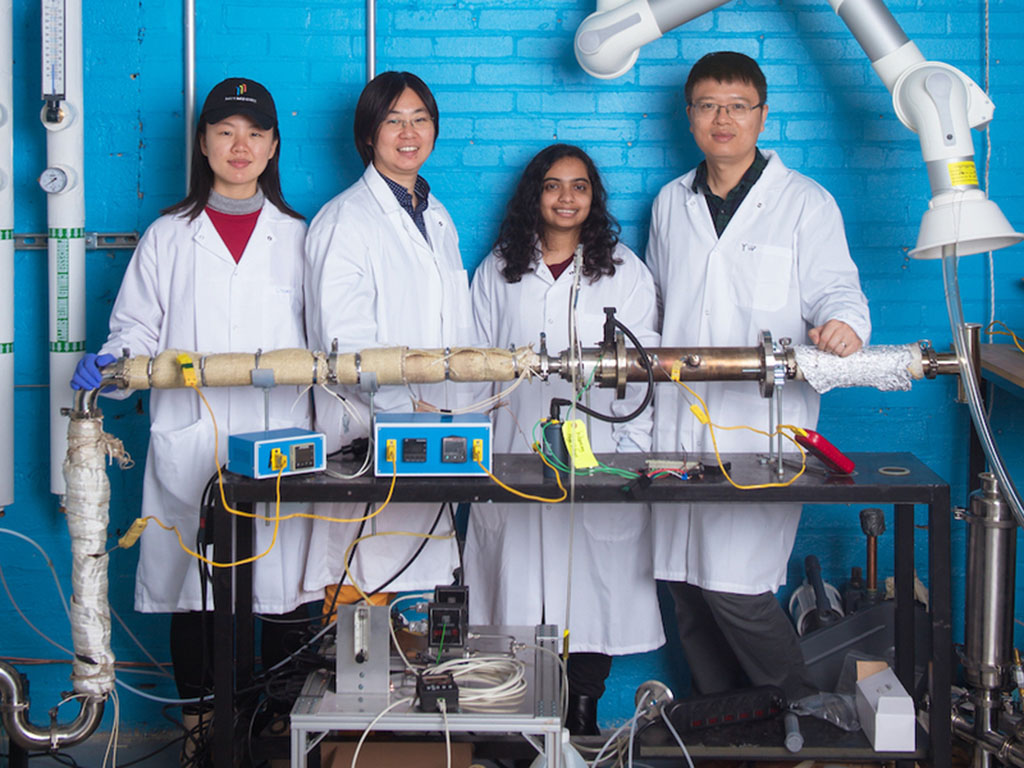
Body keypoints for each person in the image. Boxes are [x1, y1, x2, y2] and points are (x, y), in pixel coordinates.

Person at [70, 77, 317, 752]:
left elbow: (326, 345)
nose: (240, 147)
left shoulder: (300, 237)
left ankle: (276, 737)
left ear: (272, 148)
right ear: (203, 143)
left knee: (287, 592)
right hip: (191, 445)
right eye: (226, 132)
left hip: (281, 440)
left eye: (255, 134)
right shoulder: (167, 238)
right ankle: (202, 739)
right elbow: (135, 333)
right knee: (197, 594)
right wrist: (111, 367)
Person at [646, 52, 872, 702]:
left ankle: (806, 721)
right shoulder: (671, 203)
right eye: (709, 106)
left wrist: (842, 327)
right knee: (686, 592)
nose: (724, 119)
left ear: (761, 116)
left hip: (762, 429)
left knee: (735, 587)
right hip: (680, 427)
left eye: (738, 106)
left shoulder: (803, 202)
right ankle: (728, 737)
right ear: (690, 116)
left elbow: (839, 292)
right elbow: (664, 304)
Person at [465, 144, 664, 735]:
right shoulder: (499, 269)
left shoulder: (624, 270)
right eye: (553, 185)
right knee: (517, 588)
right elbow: (470, 359)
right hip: (512, 449)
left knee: (592, 590)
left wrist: (632, 454)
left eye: (579, 186)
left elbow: (645, 365)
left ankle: (582, 713)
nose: (567, 197)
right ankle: (523, 721)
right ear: (535, 195)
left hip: (600, 450)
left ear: (593, 198)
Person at [303, 72, 473, 604]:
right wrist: (407, 409)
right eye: (393, 119)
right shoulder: (344, 220)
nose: (409, 131)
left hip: (435, 438)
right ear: (368, 134)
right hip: (369, 441)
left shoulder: (438, 217)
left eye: (420, 118)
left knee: (422, 609)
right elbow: (345, 346)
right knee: (359, 615)